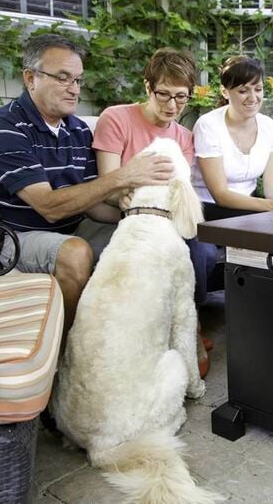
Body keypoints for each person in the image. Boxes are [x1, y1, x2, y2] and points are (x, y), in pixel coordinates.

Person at [0, 33, 172, 332]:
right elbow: (48, 207)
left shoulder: (77, 130)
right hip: (13, 237)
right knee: (75, 252)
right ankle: (66, 355)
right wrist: (124, 175)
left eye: (78, 80)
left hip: (71, 228)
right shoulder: (3, 127)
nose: (74, 90)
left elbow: (93, 204)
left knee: (147, 235)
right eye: (64, 78)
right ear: (31, 78)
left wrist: (134, 215)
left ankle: (133, 336)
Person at [91, 47, 217, 377]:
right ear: (148, 87)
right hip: (125, 218)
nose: (172, 106)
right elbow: (109, 184)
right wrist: (127, 189)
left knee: (203, 252)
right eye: (163, 95)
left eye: (181, 97)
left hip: (166, 218)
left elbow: (180, 192)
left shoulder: (184, 136)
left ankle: (190, 319)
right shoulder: (116, 119)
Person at [191, 55, 273, 220]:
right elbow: (220, 195)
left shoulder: (271, 128)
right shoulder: (208, 126)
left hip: (250, 209)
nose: (253, 97)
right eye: (243, 91)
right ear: (225, 92)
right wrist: (272, 206)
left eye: (258, 89)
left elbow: (272, 190)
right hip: (207, 210)